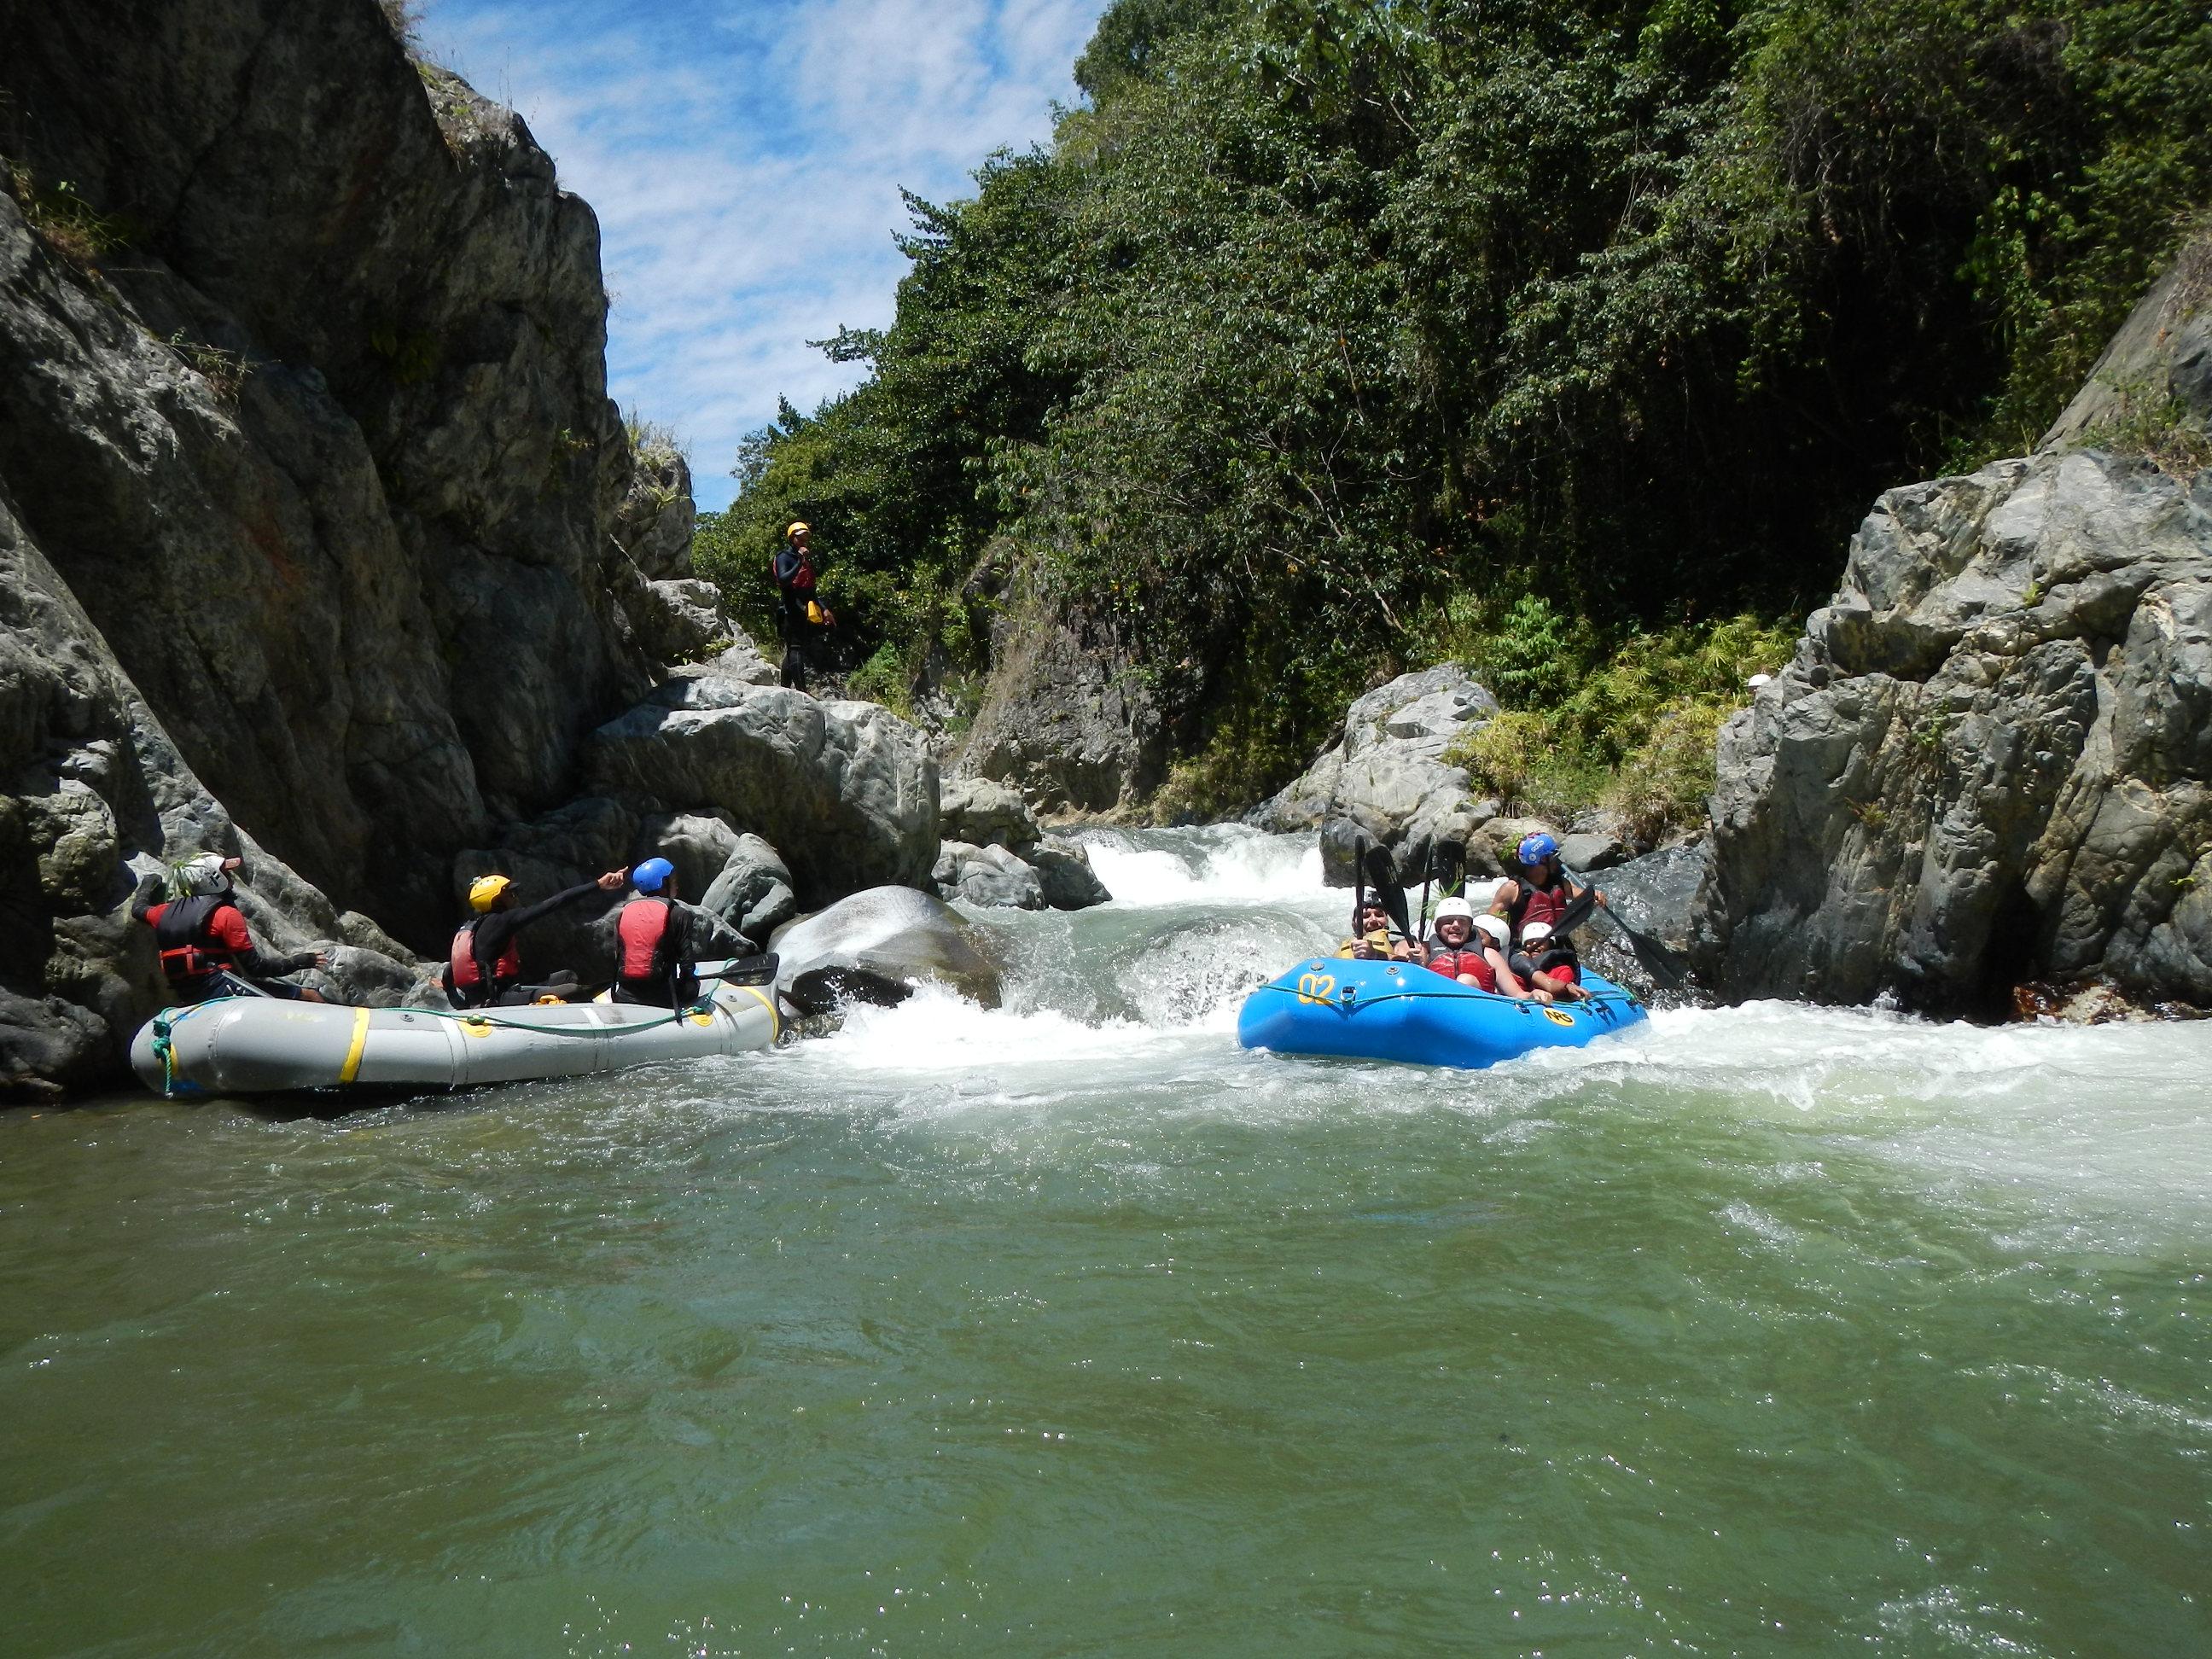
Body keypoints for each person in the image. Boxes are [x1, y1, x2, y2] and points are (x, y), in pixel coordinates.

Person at [131, 853, 329, 1003]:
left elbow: (138, 909)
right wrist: (300, 961)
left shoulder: (163, 912)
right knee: (310, 995)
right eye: (226, 874)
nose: (232, 880)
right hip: (220, 988)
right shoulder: (225, 914)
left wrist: (148, 884)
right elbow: (256, 968)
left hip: (187, 994)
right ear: (213, 878)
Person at [447, 868, 627, 1009]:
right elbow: (553, 904)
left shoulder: (471, 927)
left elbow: (449, 972)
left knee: (566, 976)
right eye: (510, 893)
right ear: (496, 899)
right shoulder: (501, 922)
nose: (514, 896)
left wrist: (459, 1003)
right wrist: (598, 884)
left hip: (494, 992)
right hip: (496, 999)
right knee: (571, 990)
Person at [1488, 830, 1602, 988]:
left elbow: (1584, 897)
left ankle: (1564, 987)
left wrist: (1595, 896)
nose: (1558, 861)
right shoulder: (1512, 889)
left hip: (1558, 951)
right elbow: (1489, 926)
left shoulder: (1561, 884)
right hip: (1527, 955)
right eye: (1553, 856)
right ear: (1540, 859)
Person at [611, 858, 707, 1007]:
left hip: (624, 995)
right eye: (673, 880)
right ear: (663, 884)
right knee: (692, 985)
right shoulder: (678, 914)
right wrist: (690, 982)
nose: (676, 884)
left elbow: (618, 956)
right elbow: (687, 965)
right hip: (664, 999)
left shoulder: (623, 914)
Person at [771, 521, 835, 692]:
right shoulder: (784, 557)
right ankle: (802, 692)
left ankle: (784, 690)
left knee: (793, 648)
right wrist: (799, 560)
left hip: (802, 610)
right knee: (796, 648)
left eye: (806, 537)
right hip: (788, 609)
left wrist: (825, 609)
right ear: (792, 539)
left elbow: (810, 591)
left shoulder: (804, 561)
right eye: (800, 538)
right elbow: (784, 580)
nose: (804, 541)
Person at [1473, 913, 1551, 1004]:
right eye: (1472, 934)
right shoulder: (1458, 952)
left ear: (1496, 942)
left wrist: (1533, 994)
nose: (1474, 939)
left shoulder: (1514, 959)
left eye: (1479, 937)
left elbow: (1519, 994)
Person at [1421, 897, 1496, 991]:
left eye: (1462, 921)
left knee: (1466, 981)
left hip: (1479, 1003)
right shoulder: (1424, 954)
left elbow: (1516, 994)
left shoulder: (1488, 954)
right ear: (1437, 927)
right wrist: (1416, 963)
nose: (1456, 925)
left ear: (1470, 927)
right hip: (1438, 1004)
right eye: (1448, 921)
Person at [1511, 920, 1590, 1003]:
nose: (1534, 944)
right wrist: (1519, 965)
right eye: (1529, 942)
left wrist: (1566, 987)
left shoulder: (1562, 970)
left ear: (1551, 945)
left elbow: (1559, 994)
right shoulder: (1518, 965)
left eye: (1539, 941)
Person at [1338, 895, 1423, 963]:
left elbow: (1408, 959)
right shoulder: (1343, 948)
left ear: (1387, 921)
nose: (1373, 920)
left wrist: (1374, 954)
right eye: (1365, 916)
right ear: (1354, 924)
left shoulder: (1403, 946)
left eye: (1379, 915)